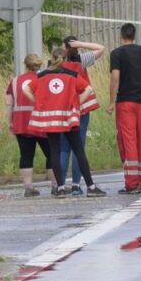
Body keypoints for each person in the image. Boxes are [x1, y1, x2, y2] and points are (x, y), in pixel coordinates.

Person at [24, 48, 105, 197]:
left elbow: (26, 89)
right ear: (65, 60)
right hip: (68, 118)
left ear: (52, 58)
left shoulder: (42, 75)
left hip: (51, 119)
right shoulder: (71, 75)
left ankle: (60, 188)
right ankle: (91, 187)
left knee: (55, 152)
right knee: (79, 151)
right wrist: (77, 104)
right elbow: (88, 89)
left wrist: (38, 103)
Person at [108, 23, 141, 194]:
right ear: (134, 35)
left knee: (128, 140)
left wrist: (111, 102)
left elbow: (115, 78)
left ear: (121, 35)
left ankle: (132, 184)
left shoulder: (116, 54)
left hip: (125, 103)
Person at [8, 54, 62, 197]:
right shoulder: (43, 79)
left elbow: (9, 104)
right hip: (41, 121)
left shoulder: (14, 81)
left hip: (21, 122)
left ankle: (28, 188)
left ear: (25, 65)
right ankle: (56, 186)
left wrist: (10, 122)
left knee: (26, 155)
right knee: (50, 153)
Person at [60, 36, 105, 196]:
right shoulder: (82, 60)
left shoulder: (57, 63)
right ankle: (76, 185)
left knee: (64, 148)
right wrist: (81, 44)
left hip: (63, 110)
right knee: (78, 148)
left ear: (64, 48)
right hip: (81, 108)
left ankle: (60, 186)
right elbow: (101, 48)